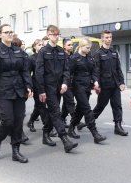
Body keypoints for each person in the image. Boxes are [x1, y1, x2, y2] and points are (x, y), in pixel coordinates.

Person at [0, 24, 33, 163]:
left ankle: (15, 152)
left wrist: (28, 86)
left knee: (18, 121)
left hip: (18, 89)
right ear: (0, 35)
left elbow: (25, 70)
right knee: (7, 120)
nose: (10, 34)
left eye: (11, 32)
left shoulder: (18, 50)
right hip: (3, 89)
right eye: (6, 32)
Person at [35, 25, 78, 153]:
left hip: (59, 87)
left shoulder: (60, 51)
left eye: (58, 34)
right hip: (48, 88)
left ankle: (45, 134)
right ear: (48, 35)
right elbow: (38, 72)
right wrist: (41, 90)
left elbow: (66, 70)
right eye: (54, 34)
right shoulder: (43, 52)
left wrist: (65, 83)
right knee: (55, 112)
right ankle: (65, 139)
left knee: (52, 112)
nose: (56, 36)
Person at [68, 38, 106, 143]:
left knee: (80, 110)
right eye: (87, 47)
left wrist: (96, 81)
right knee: (87, 108)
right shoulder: (74, 58)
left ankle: (71, 128)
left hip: (87, 86)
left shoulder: (89, 57)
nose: (89, 50)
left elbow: (94, 71)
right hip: (78, 86)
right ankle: (95, 134)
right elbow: (69, 73)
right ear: (81, 46)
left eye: (90, 48)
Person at [91, 29, 128, 136]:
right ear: (102, 38)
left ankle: (118, 126)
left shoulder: (114, 52)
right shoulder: (98, 53)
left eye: (110, 37)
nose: (109, 39)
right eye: (106, 37)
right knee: (101, 105)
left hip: (115, 84)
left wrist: (122, 82)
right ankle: (90, 121)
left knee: (117, 105)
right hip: (104, 85)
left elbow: (118, 69)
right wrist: (96, 83)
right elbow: (96, 70)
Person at [27, 39, 44, 132]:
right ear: (34, 47)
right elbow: (28, 73)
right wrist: (29, 86)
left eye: (42, 44)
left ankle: (31, 121)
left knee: (39, 106)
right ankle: (47, 126)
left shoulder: (46, 57)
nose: (41, 46)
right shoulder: (31, 58)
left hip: (45, 84)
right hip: (36, 84)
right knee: (41, 105)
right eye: (39, 45)